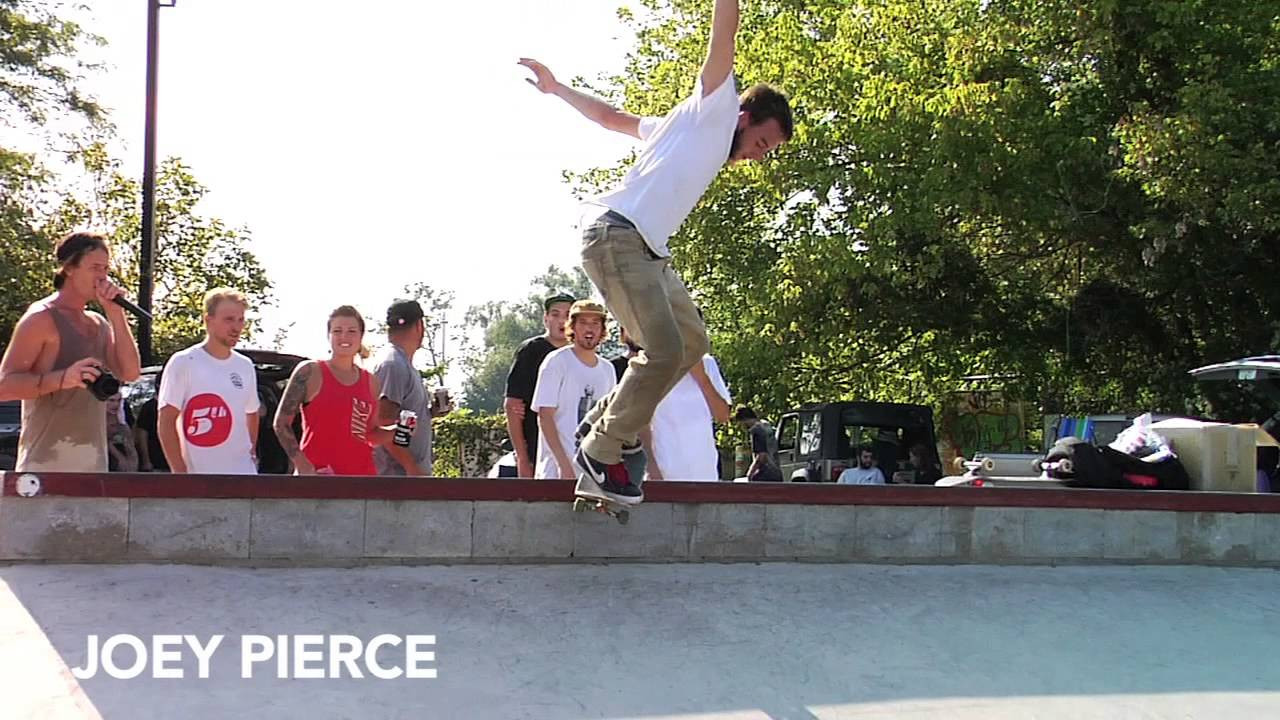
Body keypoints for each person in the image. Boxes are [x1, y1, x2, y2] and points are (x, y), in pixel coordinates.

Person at [519, 0, 794, 504]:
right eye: (760, 142)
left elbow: (612, 118)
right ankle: (602, 451)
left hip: (647, 250)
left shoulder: (677, 128)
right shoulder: (714, 109)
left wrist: (558, 90)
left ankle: (600, 423)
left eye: (766, 152)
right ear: (745, 116)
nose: (757, 156)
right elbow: (723, 35)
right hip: (618, 236)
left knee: (690, 344)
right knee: (662, 350)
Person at [0, 231, 142, 472]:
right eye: (95, 268)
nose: (102, 277)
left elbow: (130, 372)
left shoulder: (98, 323)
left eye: (106, 269)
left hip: (94, 465)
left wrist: (116, 313)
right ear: (69, 268)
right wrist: (64, 379)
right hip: (44, 465)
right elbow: (5, 386)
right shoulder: (41, 318)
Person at [273, 306, 400, 475]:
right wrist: (302, 465)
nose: (344, 337)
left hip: (362, 480)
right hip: (320, 478)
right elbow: (281, 423)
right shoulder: (310, 371)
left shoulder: (371, 382)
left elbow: (369, 433)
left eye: (351, 331)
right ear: (329, 336)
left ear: (361, 336)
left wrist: (399, 431)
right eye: (337, 331)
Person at [157, 288, 260, 474]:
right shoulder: (184, 362)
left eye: (241, 320)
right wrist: (179, 472)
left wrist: (250, 453)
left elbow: (251, 413)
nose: (236, 327)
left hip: (243, 477)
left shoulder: (245, 366)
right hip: (198, 479)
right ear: (208, 320)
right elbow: (166, 420)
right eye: (229, 319)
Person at [532, 301, 617, 479]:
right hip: (558, 473)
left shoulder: (607, 369)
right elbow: (545, 416)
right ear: (572, 327)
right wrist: (564, 466)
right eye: (583, 322)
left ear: (602, 329)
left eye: (595, 323)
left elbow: (608, 423)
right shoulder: (557, 361)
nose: (589, 329)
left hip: (594, 474)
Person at [373, 299, 451, 476]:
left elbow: (402, 418)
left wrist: (429, 413)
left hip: (404, 480)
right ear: (419, 326)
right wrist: (412, 469)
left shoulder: (401, 363)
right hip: (396, 481)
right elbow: (384, 422)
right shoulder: (393, 365)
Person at [503, 293, 574, 477]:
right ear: (546, 318)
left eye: (567, 315)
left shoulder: (582, 356)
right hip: (539, 449)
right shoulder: (532, 351)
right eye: (555, 314)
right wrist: (523, 458)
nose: (562, 321)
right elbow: (513, 406)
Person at [644, 354, 732, 481]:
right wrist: (651, 468)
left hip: (705, 473)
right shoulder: (650, 363)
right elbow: (641, 425)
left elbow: (723, 416)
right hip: (665, 472)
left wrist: (702, 378)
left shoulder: (707, 363)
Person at [733, 406, 782, 482]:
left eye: (741, 424)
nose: (742, 427)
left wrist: (750, 472)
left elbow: (761, 456)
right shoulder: (767, 426)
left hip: (764, 474)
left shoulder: (756, 430)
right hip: (776, 472)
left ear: (744, 420)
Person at [105, 392, 139, 472]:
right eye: (111, 400)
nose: (116, 404)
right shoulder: (96, 423)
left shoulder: (121, 422)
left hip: (121, 468)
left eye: (118, 400)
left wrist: (131, 465)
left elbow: (130, 447)